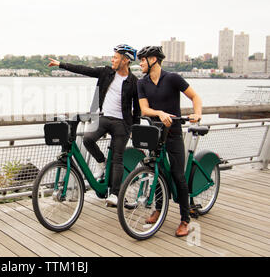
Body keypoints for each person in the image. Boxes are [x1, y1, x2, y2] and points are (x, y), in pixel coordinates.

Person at [48, 44, 141, 206]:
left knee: (118, 158)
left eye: (116, 57)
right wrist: (60, 64)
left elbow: (137, 109)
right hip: (103, 118)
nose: (112, 59)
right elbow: (84, 69)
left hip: (122, 123)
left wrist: (135, 129)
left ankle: (115, 194)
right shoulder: (106, 72)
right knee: (88, 139)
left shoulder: (134, 82)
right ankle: (101, 162)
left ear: (125, 61)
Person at [136, 45, 202, 237]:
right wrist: (160, 113)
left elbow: (195, 96)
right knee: (157, 170)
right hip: (155, 133)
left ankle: (184, 219)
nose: (140, 63)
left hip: (173, 133)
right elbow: (144, 110)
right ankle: (158, 208)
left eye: (143, 60)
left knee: (177, 175)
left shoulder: (172, 78)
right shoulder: (142, 83)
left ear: (154, 59)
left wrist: (197, 113)